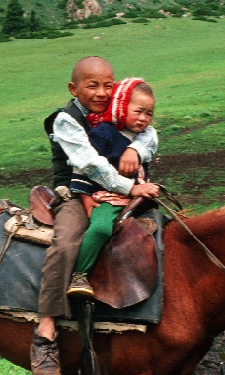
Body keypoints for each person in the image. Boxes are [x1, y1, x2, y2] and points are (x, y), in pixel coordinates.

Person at [31, 57, 159, 375]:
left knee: (164, 230)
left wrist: (135, 149)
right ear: (73, 88)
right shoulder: (65, 120)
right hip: (77, 191)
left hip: (124, 193)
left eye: (108, 85)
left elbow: (149, 130)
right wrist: (131, 186)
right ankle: (45, 329)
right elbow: (90, 165)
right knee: (69, 239)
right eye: (92, 86)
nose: (102, 92)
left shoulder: (116, 113)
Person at [67, 77, 155, 298]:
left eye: (149, 114)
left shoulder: (142, 135)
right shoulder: (102, 133)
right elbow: (84, 167)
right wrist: (84, 195)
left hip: (140, 196)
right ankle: (79, 275)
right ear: (121, 106)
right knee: (101, 228)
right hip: (110, 196)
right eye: (139, 111)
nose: (143, 119)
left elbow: (152, 139)